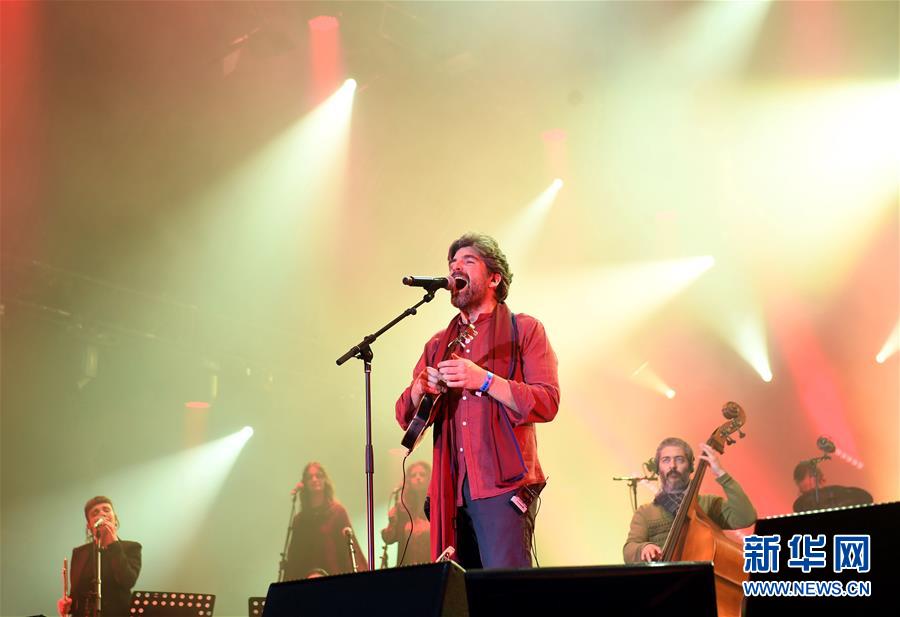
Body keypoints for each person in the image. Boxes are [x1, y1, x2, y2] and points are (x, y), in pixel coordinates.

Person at [395, 233, 560, 568]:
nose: (455, 268)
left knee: (504, 592)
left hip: (502, 488)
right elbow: (405, 419)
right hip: (449, 492)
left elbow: (547, 401)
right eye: (452, 263)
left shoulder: (524, 329)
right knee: (458, 592)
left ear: (494, 278)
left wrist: (484, 380)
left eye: (467, 261)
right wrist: (419, 387)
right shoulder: (438, 344)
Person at [623, 437, 756, 563]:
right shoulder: (645, 512)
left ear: (691, 467)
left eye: (680, 460)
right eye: (666, 460)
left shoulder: (708, 504)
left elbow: (746, 517)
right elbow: (629, 550)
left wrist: (721, 473)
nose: (672, 465)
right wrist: (644, 548)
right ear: (658, 468)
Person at [57, 496, 142, 617]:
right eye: (95, 513)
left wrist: (113, 543)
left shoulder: (131, 548)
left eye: (106, 510)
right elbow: (76, 593)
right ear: (89, 525)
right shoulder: (79, 553)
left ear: (115, 519)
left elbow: (127, 580)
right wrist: (67, 605)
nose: (102, 514)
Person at [283, 462, 368, 579]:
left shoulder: (337, 512)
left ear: (324, 480)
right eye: (310, 477)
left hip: (334, 578)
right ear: (305, 483)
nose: (314, 479)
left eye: (318, 476)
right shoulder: (300, 520)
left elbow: (349, 549)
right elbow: (294, 558)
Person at [381, 460, 432, 566]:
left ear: (429, 478)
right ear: (408, 480)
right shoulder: (403, 509)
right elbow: (389, 539)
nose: (418, 478)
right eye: (413, 475)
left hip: (432, 566)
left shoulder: (436, 506)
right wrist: (392, 522)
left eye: (422, 474)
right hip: (407, 567)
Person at [792, 460, 872, 513]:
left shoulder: (842, 496)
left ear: (822, 480)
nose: (811, 497)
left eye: (812, 491)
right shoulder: (803, 505)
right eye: (805, 494)